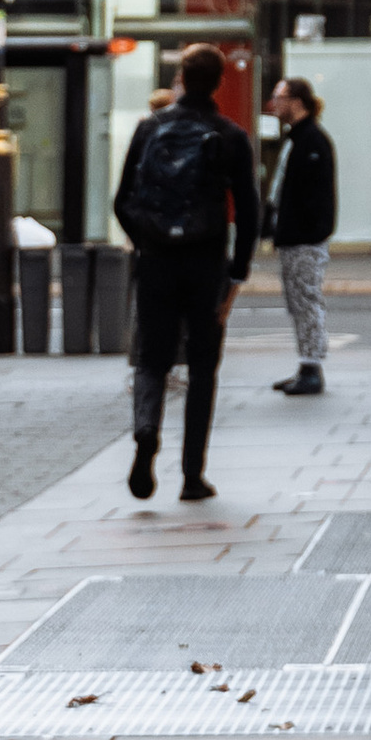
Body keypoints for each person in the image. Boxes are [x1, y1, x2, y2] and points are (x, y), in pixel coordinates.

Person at [114, 44, 257, 502]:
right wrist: (236, 273)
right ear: (218, 82)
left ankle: (145, 434)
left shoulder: (149, 128)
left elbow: (122, 201)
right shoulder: (229, 135)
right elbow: (250, 212)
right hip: (206, 264)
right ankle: (192, 475)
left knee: (152, 359)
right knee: (202, 368)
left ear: (180, 77)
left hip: (157, 261)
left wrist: (148, 243)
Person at [265, 73, 337, 396]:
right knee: (298, 301)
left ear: (296, 102)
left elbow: (314, 197)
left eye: (280, 98)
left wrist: (308, 229)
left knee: (306, 300)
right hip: (295, 235)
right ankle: (306, 364)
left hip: (304, 238)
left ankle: (312, 367)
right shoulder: (297, 138)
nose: (274, 104)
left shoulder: (312, 141)